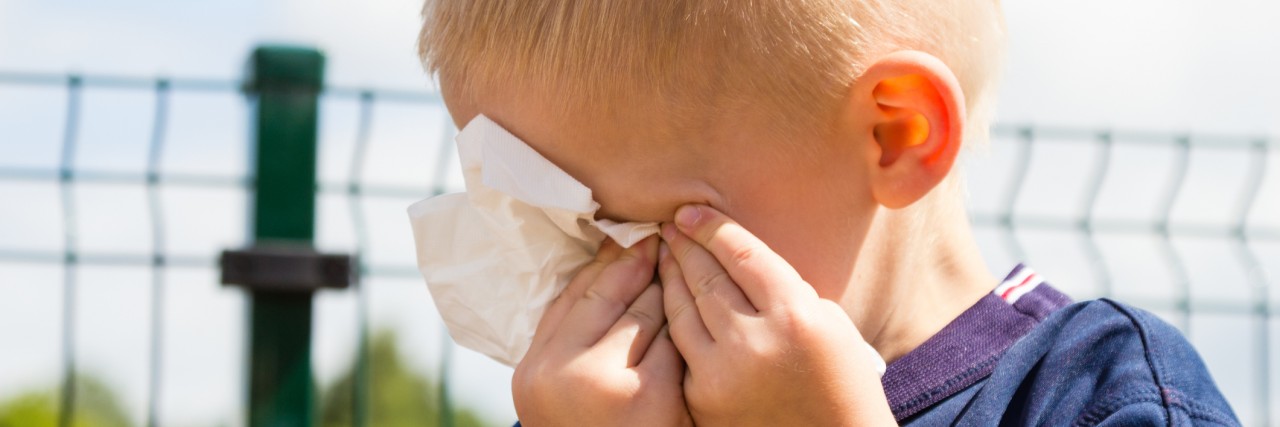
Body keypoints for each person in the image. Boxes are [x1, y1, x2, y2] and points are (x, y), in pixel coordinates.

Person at [416, 1, 1240, 425]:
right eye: (560, 232)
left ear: (896, 135)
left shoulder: (1104, 397)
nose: (598, 285)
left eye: (643, 231)